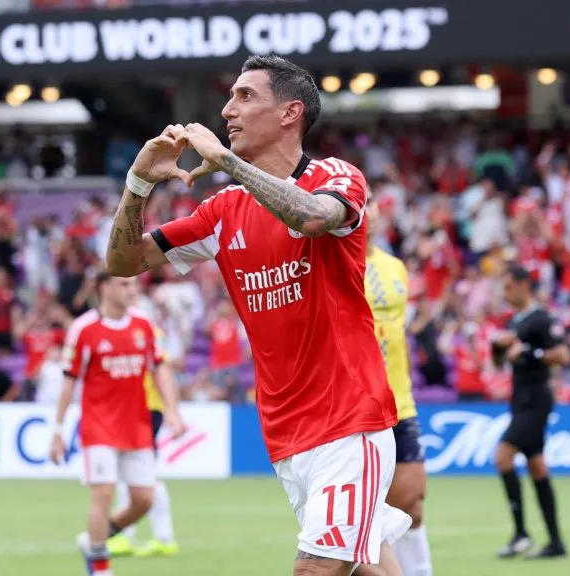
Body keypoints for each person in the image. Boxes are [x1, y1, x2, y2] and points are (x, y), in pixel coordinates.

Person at [104, 54, 409, 576]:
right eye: (230, 97)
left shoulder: (336, 176)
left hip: (349, 419)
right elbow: (123, 262)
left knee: (315, 569)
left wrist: (227, 163)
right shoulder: (222, 211)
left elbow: (313, 217)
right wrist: (137, 184)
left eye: (245, 97)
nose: (228, 110)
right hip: (287, 431)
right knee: (367, 569)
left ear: (290, 113)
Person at [49, 273, 184, 576]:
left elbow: (160, 368)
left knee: (143, 500)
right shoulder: (84, 329)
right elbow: (69, 383)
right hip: (99, 427)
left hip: (137, 425)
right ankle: (100, 568)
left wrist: (173, 411)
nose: (131, 290)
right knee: (104, 492)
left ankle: (94, 540)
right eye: (124, 284)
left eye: (134, 284)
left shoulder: (143, 324)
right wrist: (57, 431)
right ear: (103, 288)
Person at [364, 197, 433, 576]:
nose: (368, 215)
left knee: (412, 503)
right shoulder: (332, 261)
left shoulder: (396, 268)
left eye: (372, 206)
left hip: (400, 400)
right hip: (356, 405)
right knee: (365, 513)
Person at [491, 264, 570, 560]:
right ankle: (556, 542)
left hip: (536, 399)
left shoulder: (542, 318)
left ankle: (521, 535)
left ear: (525, 285)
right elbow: (502, 364)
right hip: (520, 397)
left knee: (502, 457)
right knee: (537, 466)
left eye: (509, 285)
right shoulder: (515, 321)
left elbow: (564, 355)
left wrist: (530, 353)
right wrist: (498, 349)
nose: (505, 291)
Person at [107, 322, 180, 559]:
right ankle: (153, 537)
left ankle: (137, 537)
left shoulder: (148, 331)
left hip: (145, 408)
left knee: (139, 473)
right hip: (134, 408)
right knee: (135, 472)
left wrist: (172, 410)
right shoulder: (129, 329)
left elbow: (164, 371)